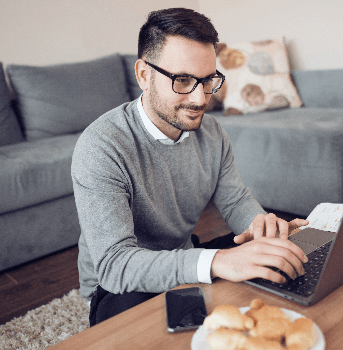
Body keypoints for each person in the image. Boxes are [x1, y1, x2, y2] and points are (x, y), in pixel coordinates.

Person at [71, 7, 309, 327]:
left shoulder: (212, 134)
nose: (199, 99)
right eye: (182, 80)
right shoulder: (100, 146)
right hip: (120, 285)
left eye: (208, 79)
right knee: (162, 331)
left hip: (181, 258)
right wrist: (219, 261)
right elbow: (115, 266)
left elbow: (236, 201)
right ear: (143, 75)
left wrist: (262, 230)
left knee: (270, 272)